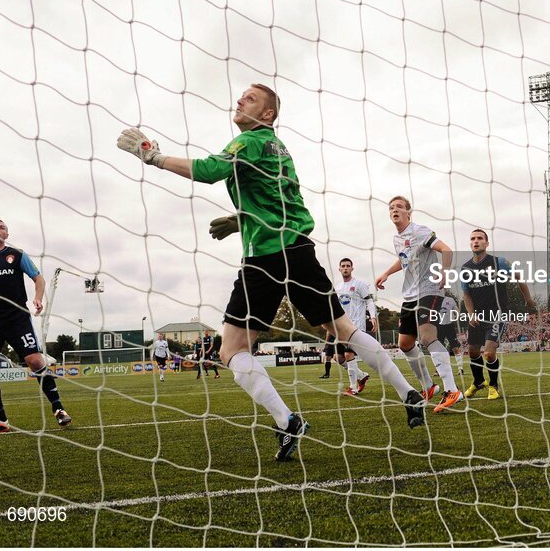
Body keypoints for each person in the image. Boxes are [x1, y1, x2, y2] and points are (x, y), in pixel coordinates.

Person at [117, 83, 424, 462]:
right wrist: (241, 218)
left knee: (232, 349)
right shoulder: (278, 148)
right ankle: (408, 393)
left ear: (267, 114)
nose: (240, 100)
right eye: (241, 96)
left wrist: (153, 156)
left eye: (250, 99)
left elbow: (210, 170)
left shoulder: (247, 142)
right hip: (298, 250)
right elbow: (278, 198)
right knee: (344, 331)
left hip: (264, 257)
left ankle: (286, 420)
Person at [0, 219, 71, 433]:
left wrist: (38, 298)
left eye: (2, 227)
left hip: (16, 318)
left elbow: (39, 279)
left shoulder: (18, 255)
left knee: (34, 360)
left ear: (6, 235)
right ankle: (0, 421)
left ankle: (59, 409)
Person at [375, 196, 463, 413]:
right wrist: (386, 272)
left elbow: (447, 250)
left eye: (399, 207)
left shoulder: (420, 231)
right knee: (405, 344)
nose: (394, 210)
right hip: (410, 295)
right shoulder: (397, 238)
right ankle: (428, 386)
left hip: (430, 289)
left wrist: (444, 271)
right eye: (391, 207)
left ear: (408, 212)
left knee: (426, 337)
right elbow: (404, 258)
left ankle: (452, 390)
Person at [460, 229, 537, 400]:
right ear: (470, 243)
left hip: (497, 314)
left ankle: (493, 385)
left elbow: (519, 277)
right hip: (477, 316)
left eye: (480, 238)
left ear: (486, 243)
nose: (476, 241)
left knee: (488, 353)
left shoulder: (500, 262)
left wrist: (528, 299)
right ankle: (478, 381)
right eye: (473, 238)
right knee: (472, 352)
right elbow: (466, 295)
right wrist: (471, 314)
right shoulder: (465, 268)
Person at [335, 258, 374, 396]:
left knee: (348, 354)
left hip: (355, 326)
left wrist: (373, 316)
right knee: (338, 358)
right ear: (339, 269)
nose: (345, 268)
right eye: (343, 266)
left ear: (352, 268)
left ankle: (353, 387)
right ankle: (362, 376)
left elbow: (369, 300)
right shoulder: (338, 287)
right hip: (341, 327)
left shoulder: (359, 284)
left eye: (348, 266)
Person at [434, 294, 464, 376]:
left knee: (455, 348)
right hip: (438, 327)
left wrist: (456, 317)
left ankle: (460, 369)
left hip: (449, 326)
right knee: (438, 349)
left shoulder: (450, 300)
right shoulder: (434, 299)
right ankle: (438, 370)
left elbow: (456, 310)